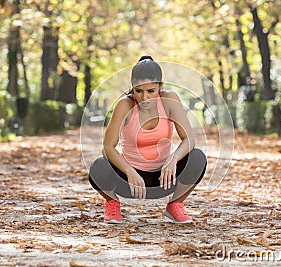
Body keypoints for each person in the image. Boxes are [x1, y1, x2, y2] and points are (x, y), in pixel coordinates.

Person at [88, 55, 207, 224]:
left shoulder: (170, 101)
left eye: (151, 91)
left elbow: (189, 139)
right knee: (99, 166)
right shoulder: (124, 105)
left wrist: (173, 160)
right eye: (139, 91)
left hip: (163, 179)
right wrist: (129, 171)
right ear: (132, 88)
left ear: (160, 86)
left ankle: (175, 205)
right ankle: (112, 203)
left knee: (197, 157)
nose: (145, 97)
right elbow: (108, 147)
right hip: (130, 181)